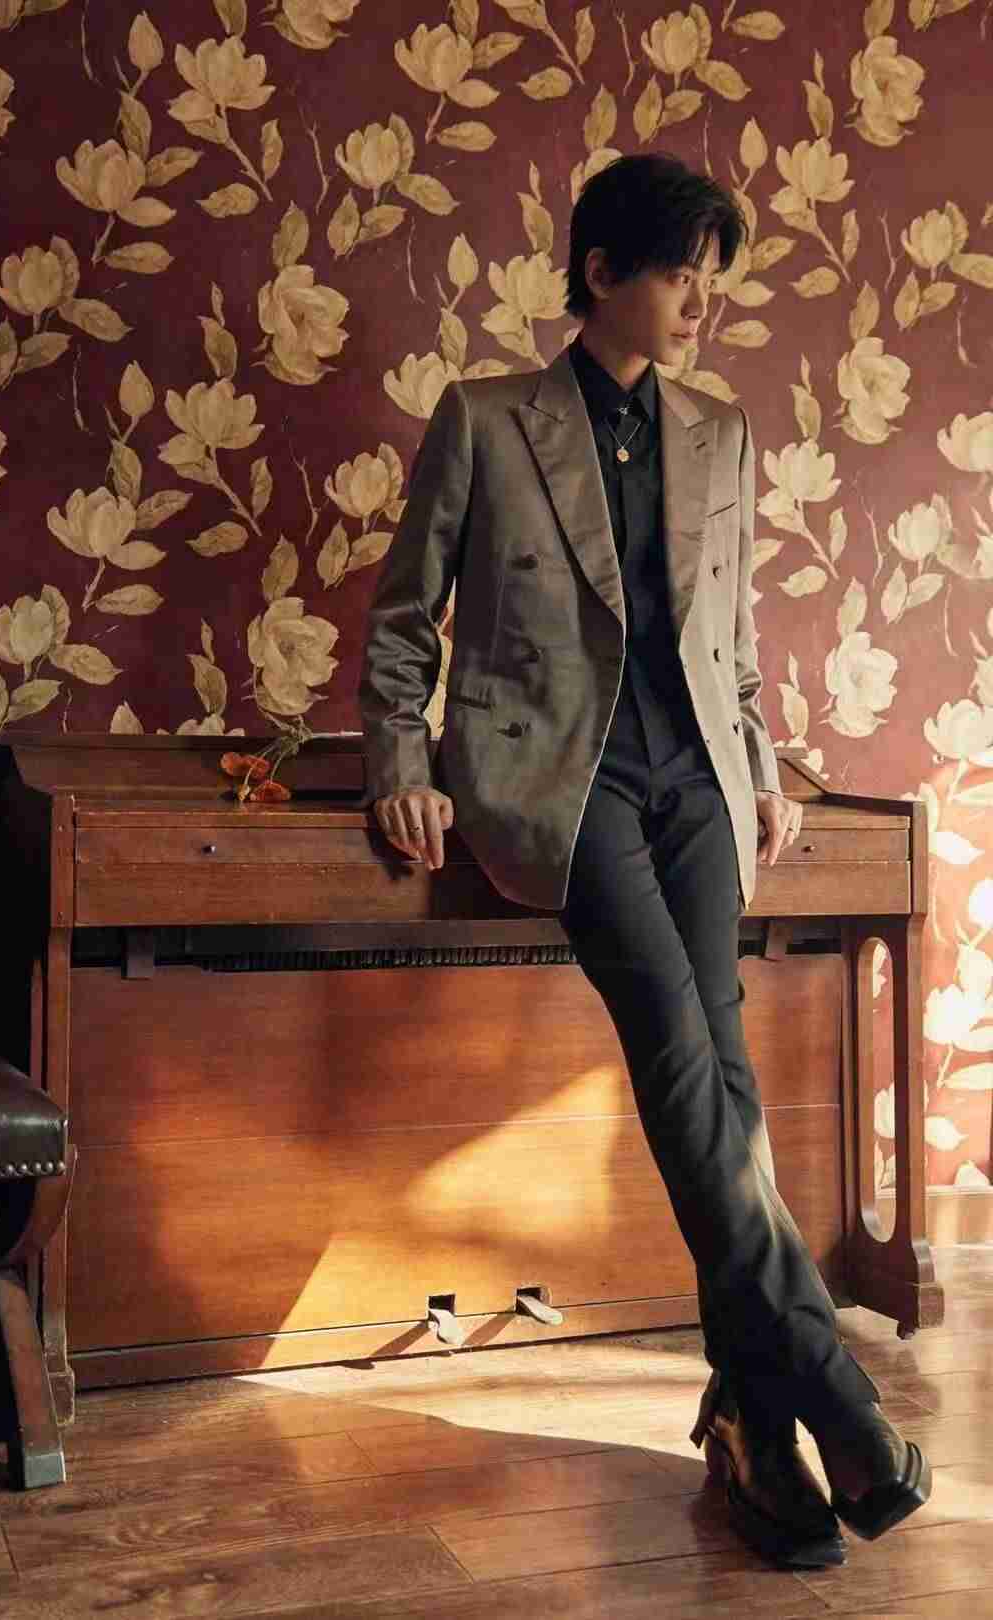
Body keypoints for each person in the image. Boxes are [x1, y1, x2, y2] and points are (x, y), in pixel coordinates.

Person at [358, 151, 930, 1570]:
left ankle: (755, 1418)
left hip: (700, 788)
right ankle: (834, 1397)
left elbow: (733, 633)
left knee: (720, 1079)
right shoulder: (487, 419)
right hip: (566, 783)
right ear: (602, 271)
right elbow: (404, 619)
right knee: (684, 1057)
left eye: (709, 278)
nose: (701, 302)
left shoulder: (722, 432)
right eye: (680, 273)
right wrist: (401, 763)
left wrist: (762, 766)